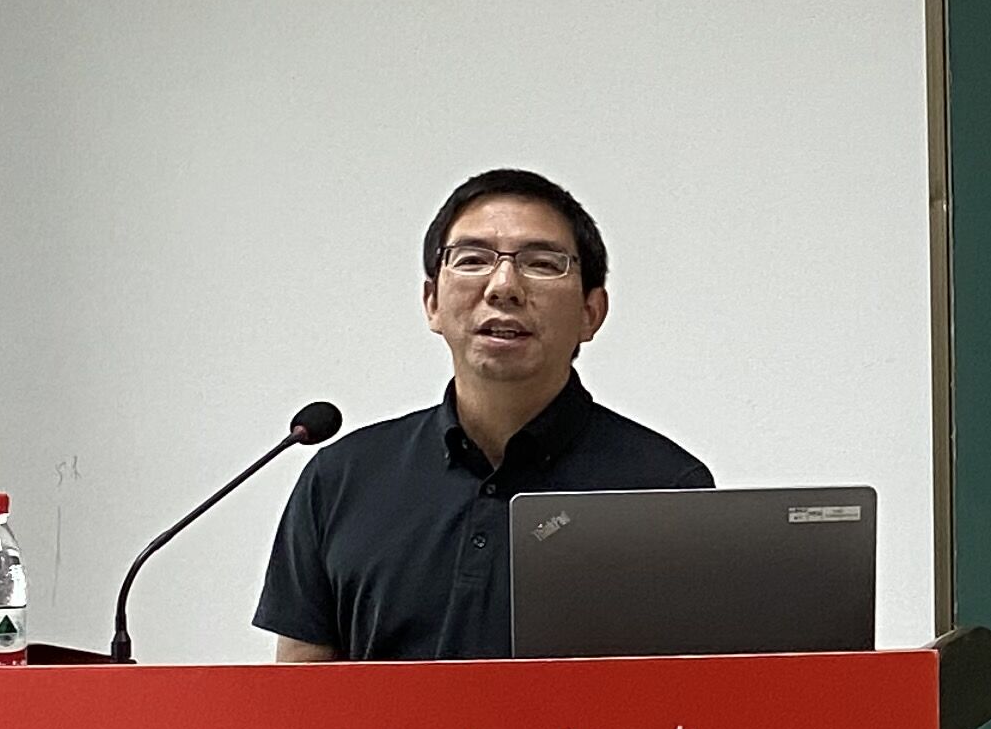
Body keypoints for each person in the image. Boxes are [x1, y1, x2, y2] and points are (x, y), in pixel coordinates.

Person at [260, 168, 709, 662]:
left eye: (542, 263)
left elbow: (688, 693)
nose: (503, 286)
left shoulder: (664, 487)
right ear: (432, 302)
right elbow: (299, 692)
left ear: (591, 312)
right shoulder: (341, 477)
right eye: (472, 260)